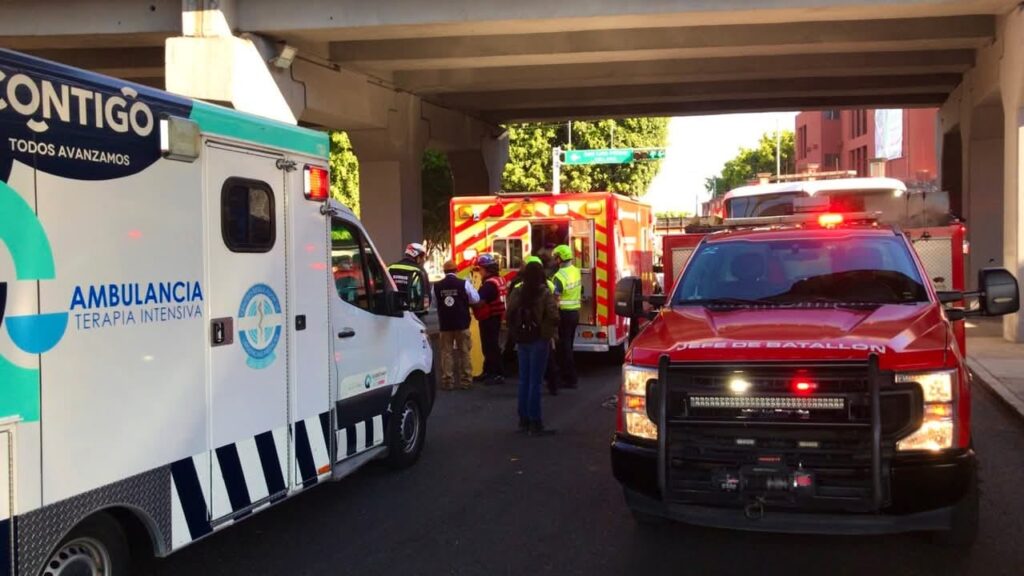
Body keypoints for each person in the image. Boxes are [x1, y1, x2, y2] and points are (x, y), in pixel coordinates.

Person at [506, 261, 559, 435]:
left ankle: (523, 420)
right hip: (539, 339)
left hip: (522, 339)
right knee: (535, 382)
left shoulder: (518, 291)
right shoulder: (544, 292)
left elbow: (509, 313)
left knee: (524, 380)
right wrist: (549, 332)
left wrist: (515, 332)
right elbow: (553, 315)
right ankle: (535, 423)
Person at [434, 260, 480, 391]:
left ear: (444, 271)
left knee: (446, 353)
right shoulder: (464, 283)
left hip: (445, 324)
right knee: (464, 352)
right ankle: (466, 380)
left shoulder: (437, 286)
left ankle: (448, 381)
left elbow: (433, 303)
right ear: (456, 270)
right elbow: (475, 299)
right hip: (462, 323)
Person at [549, 244, 581, 392]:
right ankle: (569, 376)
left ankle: (569, 378)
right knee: (568, 345)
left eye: (556, 257)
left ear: (560, 258)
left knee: (564, 347)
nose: (555, 260)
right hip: (575, 312)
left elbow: (556, 297)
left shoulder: (559, 276)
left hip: (564, 313)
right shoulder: (575, 271)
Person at [473, 253, 507, 385]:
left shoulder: (488, 285)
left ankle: (496, 374)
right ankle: (487, 371)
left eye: (480, 269)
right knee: (491, 346)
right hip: (497, 316)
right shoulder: (499, 280)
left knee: (490, 347)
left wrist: (468, 301)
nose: (479, 272)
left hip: (489, 318)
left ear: (486, 269)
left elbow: (479, 302)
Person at [389, 242, 431, 311]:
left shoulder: (391, 267)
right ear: (416, 255)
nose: (422, 260)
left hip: (393, 310)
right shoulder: (420, 271)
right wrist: (424, 309)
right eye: (421, 256)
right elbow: (426, 294)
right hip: (413, 311)